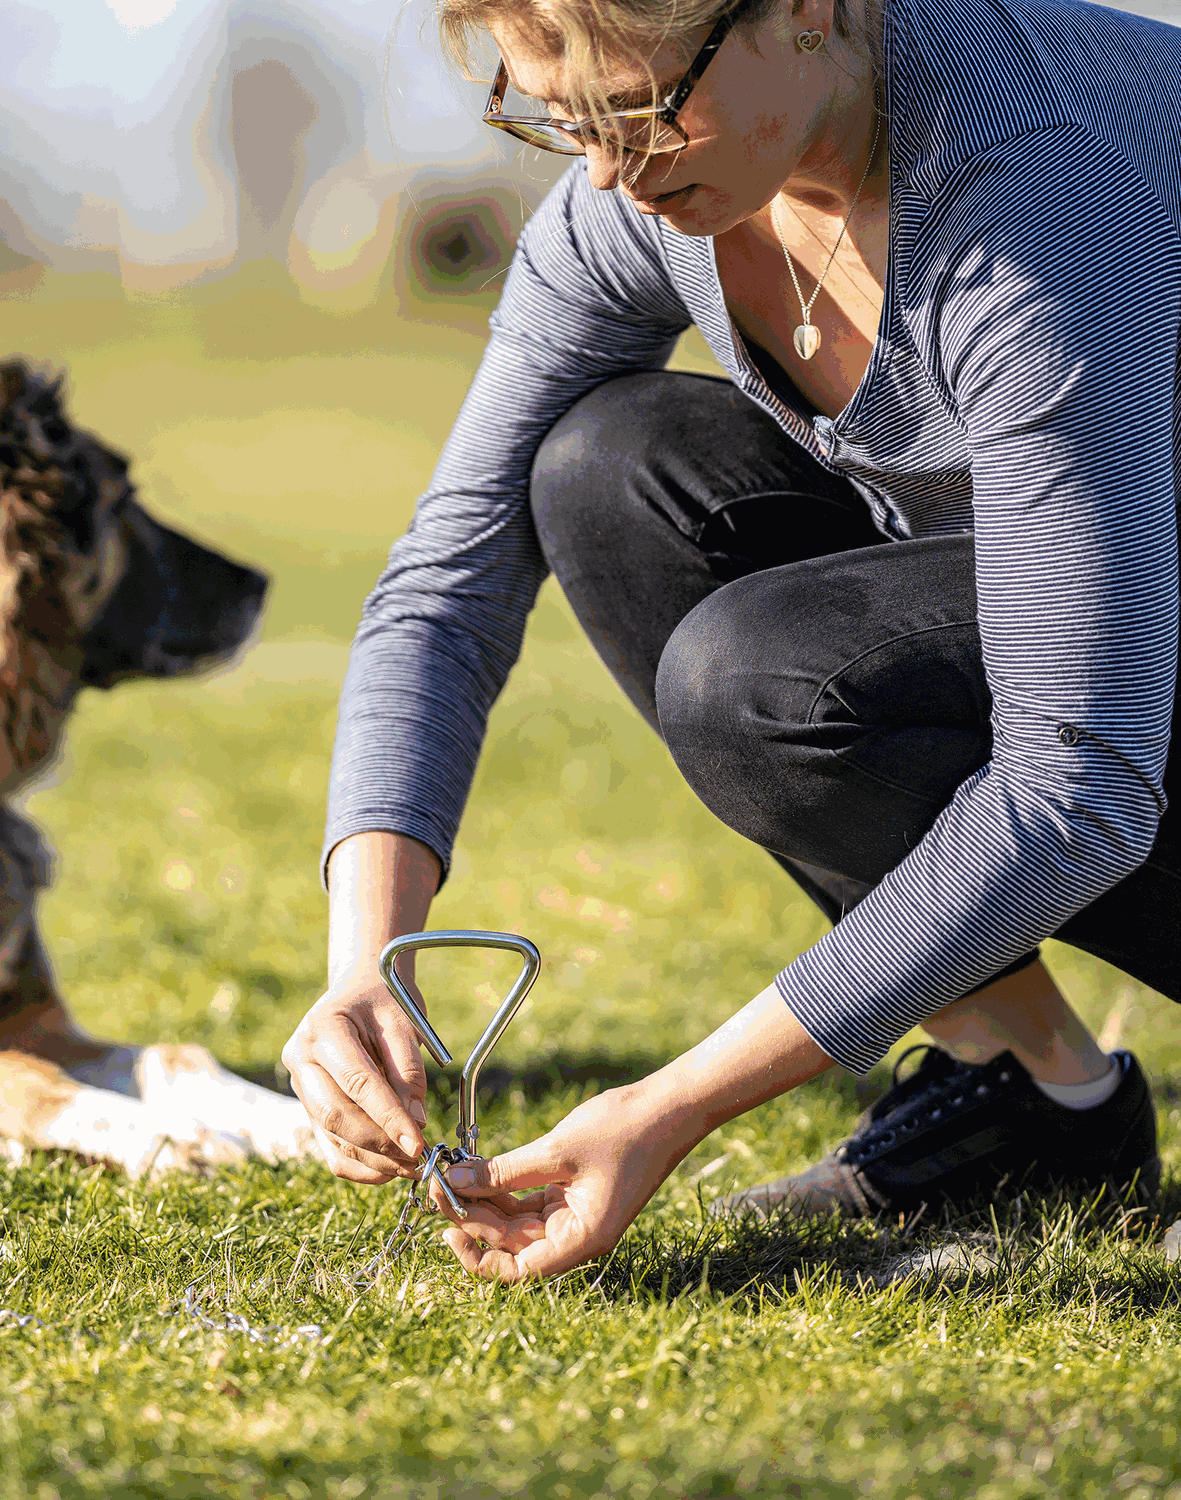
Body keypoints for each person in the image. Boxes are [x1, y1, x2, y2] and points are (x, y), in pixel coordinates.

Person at [282, 0, 1181, 1282]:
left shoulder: (1027, 197)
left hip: (1119, 750)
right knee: (611, 468)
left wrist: (677, 1105)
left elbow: (1078, 783)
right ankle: (1027, 1095)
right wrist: (370, 965)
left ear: (808, 10)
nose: (605, 172)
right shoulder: (658, 191)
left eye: (641, 108)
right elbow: (450, 574)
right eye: (559, 116)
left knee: (764, 678)